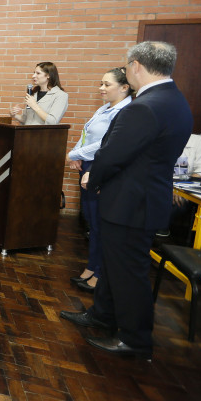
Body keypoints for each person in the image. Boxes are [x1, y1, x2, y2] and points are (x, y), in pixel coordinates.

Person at [61, 41, 192, 359]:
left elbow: (113, 154)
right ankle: (103, 315)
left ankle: (135, 339)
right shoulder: (174, 100)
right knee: (113, 264)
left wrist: (97, 177)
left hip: (131, 204)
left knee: (129, 274)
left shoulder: (145, 106)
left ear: (136, 66)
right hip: (139, 199)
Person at [66, 67, 133, 292]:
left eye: (107, 84)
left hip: (101, 167)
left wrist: (76, 155)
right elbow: (86, 135)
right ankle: (91, 267)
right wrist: (76, 155)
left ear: (125, 87)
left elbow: (106, 144)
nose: (101, 88)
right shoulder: (104, 108)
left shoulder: (125, 111)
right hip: (86, 165)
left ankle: (101, 273)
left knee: (102, 224)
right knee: (92, 224)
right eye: (100, 84)